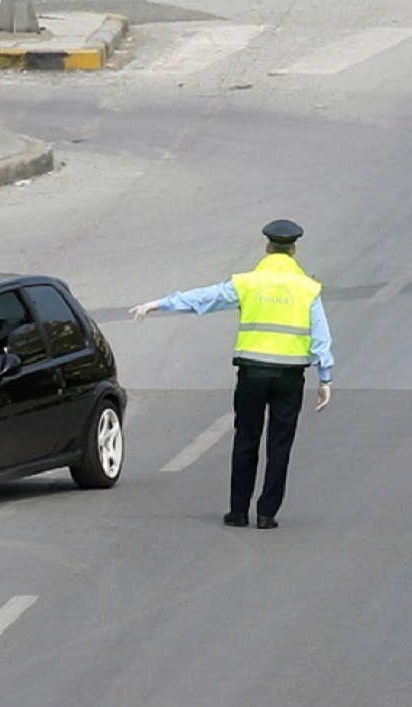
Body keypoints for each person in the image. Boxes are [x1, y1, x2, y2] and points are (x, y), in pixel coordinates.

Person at [129, 219, 334, 529]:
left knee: (246, 439)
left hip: (252, 375)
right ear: (293, 250)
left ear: (267, 247)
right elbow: (321, 336)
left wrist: (159, 304)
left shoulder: (247, 283)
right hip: (290, 378)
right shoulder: (308, 288)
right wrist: (326, 377)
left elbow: (204, 299)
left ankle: (238, 511)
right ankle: (267, 514)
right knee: (280, 444)